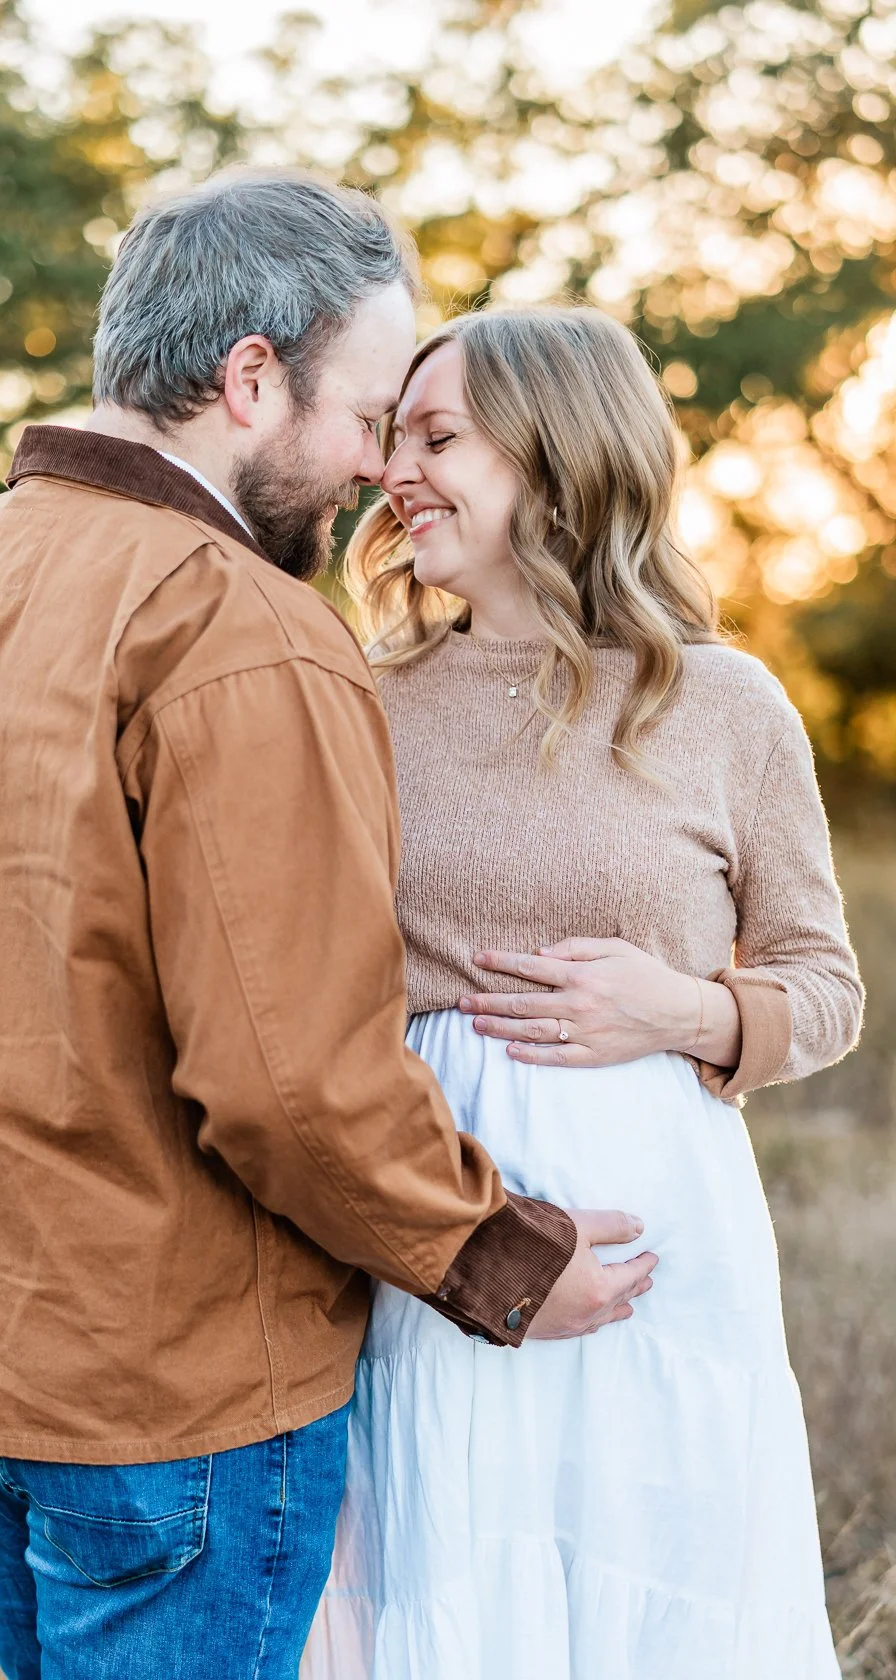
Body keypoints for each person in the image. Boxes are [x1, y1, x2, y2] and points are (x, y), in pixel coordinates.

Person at [0, 174, 662, 1680]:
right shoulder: (242, 628)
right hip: (163, 1400)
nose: (374, 467)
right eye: (369, 411)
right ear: (251, 378)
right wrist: (500, 1258)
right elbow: (290, 1078)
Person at [302, 305, 863, 1680]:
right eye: (393, 439)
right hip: (448, 1244)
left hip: (666, 1266)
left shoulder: (726, 706)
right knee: (455, 1596)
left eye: (439, 438)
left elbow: (827, 987)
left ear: (557, 458)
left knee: (652, 1614)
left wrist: (695, 1013)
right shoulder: (356, 703)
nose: (395, 473)